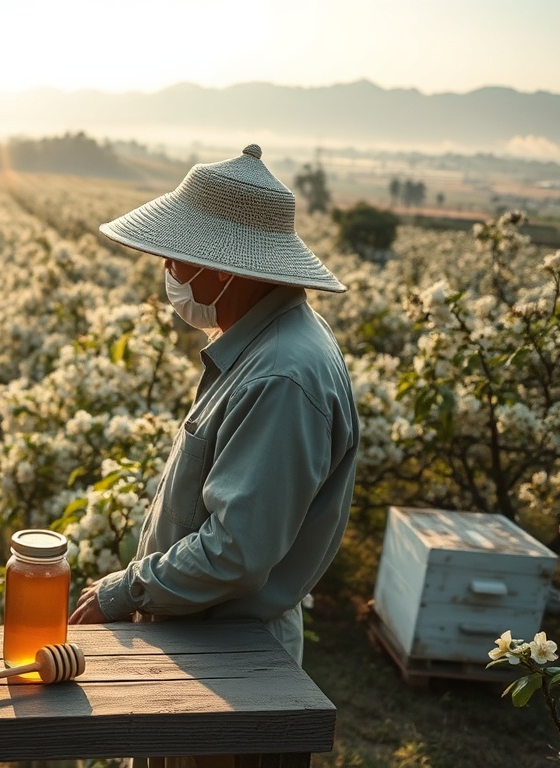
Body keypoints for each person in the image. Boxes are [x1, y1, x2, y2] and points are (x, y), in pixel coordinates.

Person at [69, 144, 360, 673]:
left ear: (224, 269)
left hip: (225, 660)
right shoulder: (269, 344)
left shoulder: (281, 378)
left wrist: (129, 589)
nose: (167, 266)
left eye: (178, 254)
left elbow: (236, 552)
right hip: (204, 639)